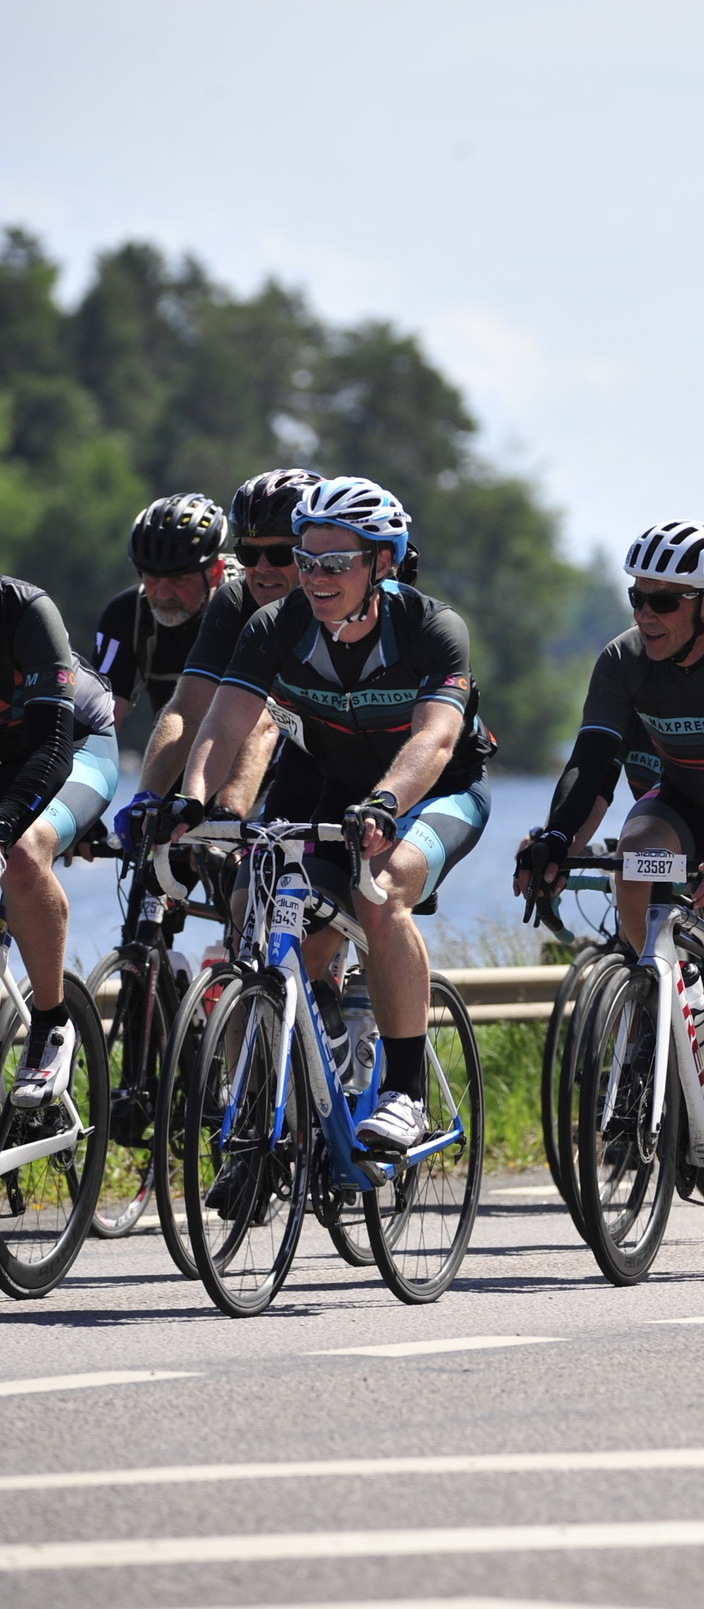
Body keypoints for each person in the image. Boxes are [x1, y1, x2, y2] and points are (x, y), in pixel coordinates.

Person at [164, 476, 495, 1155]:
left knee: (381, 891)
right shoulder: (275, 625)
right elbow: (225, 722)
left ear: (382, 562)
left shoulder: (431, 627)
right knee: (275, 904)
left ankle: (405, 1093)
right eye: (306, 561)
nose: (315, 578)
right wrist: (189, 801)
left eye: (336, 563)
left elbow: (435, 740)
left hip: (437, 792)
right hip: (339, 792)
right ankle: (318, 1060)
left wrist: (386, 803)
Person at [515, 519, 704, 1230]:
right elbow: (592, 763)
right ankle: (651, 1008)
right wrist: (557, 838)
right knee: (634, 853)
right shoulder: (624, 660)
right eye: (637, 597)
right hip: (684, 801)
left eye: (663, 601)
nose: (645, 614)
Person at [120, 469, 325, 837]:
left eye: (279, 553)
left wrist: (226, 814)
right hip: (291, 759)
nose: (261, 569)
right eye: (249, 553)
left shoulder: (351, 604)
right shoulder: (235, 600)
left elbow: (263, 721)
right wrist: (149, 798)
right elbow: (188, 711)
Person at [0, 577, 118, 1106]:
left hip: (75, 745)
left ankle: (51, 1024)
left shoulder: (24, 610)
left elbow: (51, 751)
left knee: (24, 855)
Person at [93, 493, 232, 726]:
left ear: (215, 572)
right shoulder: (127, 614)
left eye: (179, 580)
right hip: (174, 740)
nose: (163, 594)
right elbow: (100, 715)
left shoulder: (249, 608)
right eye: (152, 579)